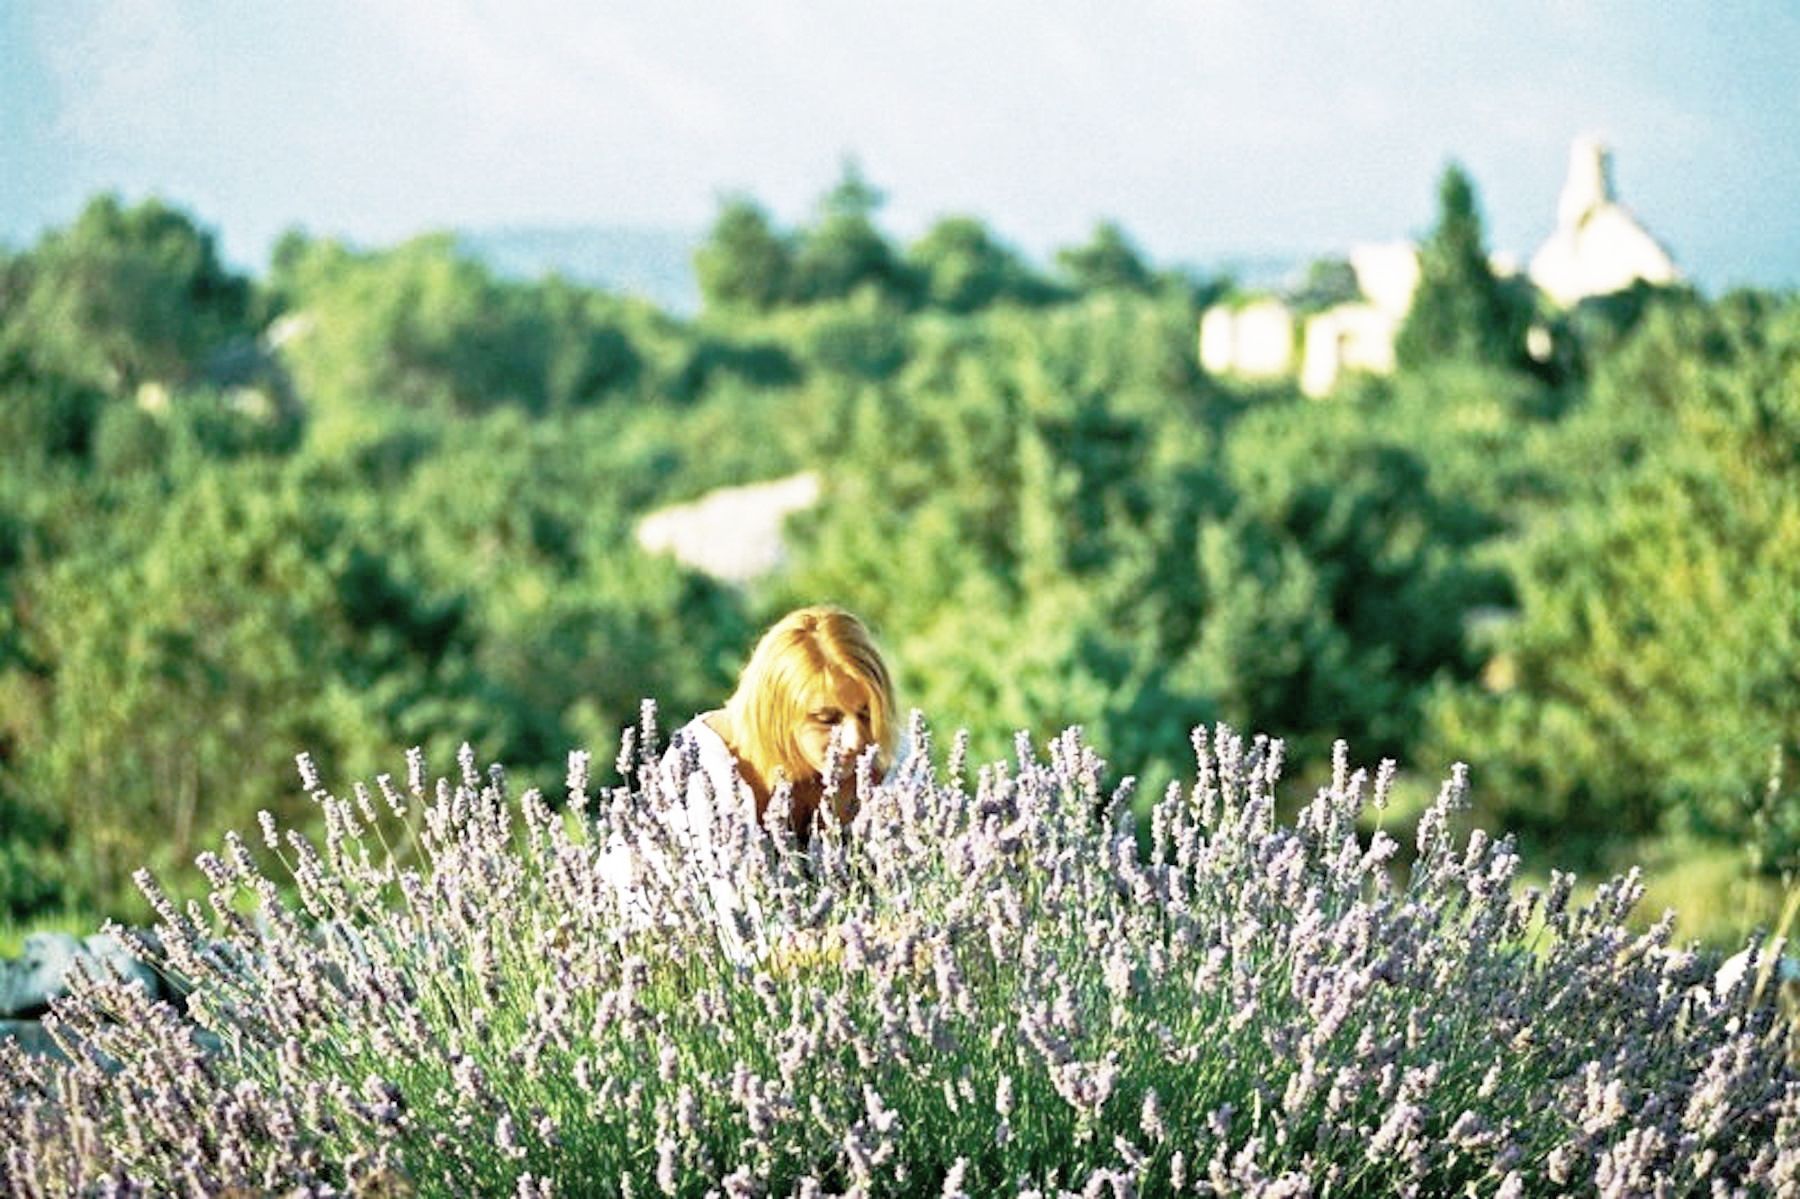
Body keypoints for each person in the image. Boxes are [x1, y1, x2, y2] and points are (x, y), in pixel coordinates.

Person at [602, 605, 898, 965]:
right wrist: (879, 939)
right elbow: (746, 945)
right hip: (656, 965)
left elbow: (924, 902)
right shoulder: (706, 768)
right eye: (827, 719)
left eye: (866, 713)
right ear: (778, 713)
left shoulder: (883, 756)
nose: (855, 739)